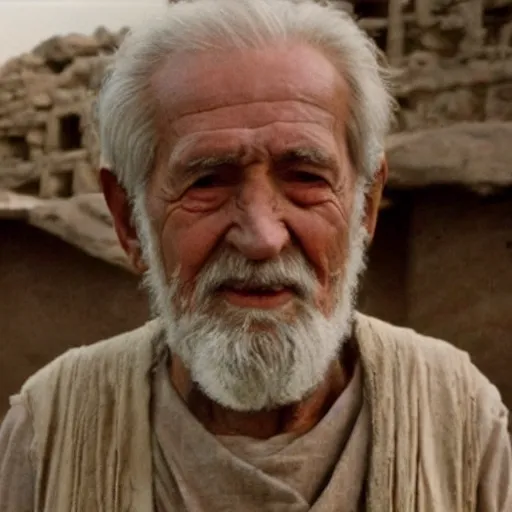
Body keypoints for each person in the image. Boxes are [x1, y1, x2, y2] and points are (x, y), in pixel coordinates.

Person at [1, 0, 511, 510]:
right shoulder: (47, 433)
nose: (263, 237)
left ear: (366, 206)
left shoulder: (458, 416)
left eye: (306, 178)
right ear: (129, 220)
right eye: (207, 182)